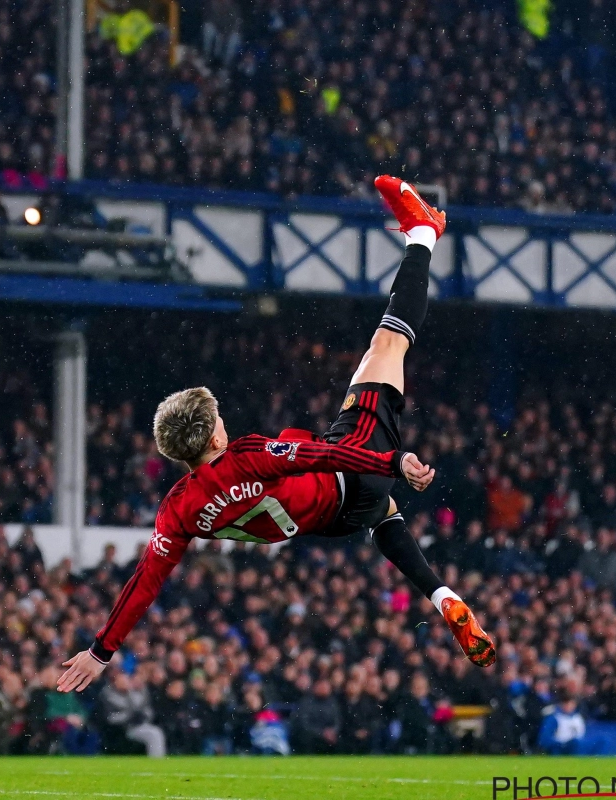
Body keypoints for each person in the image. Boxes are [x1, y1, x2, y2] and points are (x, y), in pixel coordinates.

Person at [58, 178, 494, 694]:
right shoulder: (247, 456)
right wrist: (393, 463)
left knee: (383, 515)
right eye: (218, 418)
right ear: (214, 439)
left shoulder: (178, 509)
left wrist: (101, 650)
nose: (225, 421)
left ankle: (442, 596)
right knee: (388, 343)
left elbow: (144, 583)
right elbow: (326, 451)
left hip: (331, 523)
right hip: (351, 475)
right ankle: (424, 232)